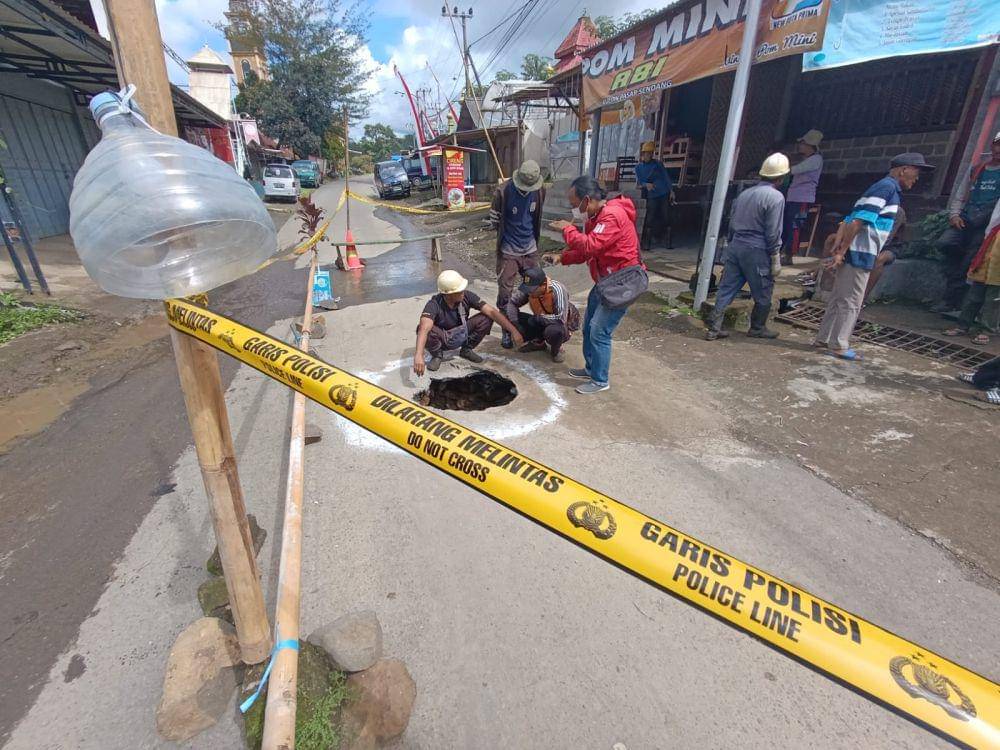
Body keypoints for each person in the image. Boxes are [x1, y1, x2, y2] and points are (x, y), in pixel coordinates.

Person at [814, 153, 935, 360]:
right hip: (861, 252)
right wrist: (842, 251)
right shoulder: (887, 188)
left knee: (839, 298)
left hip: (856, 251)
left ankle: (824, 339)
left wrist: (840, 245)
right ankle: (839, 344)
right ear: (903, 169)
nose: (916, 178)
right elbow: (857, 221)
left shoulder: (883, 188)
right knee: (852, 300)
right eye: (915, 172)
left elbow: (849, 219)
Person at [544, 175, 644, 395]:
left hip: (622, 283)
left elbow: (590, 246)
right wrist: (563, 258)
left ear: (586, 200)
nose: (573, 210)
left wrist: (566, 230)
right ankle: (591, 368)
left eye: (574, 205)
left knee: (599, 330)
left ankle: (600, 380)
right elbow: (587, 252)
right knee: (589, 325)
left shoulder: (612, 216)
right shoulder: (595, 218)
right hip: (605, 281)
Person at [705, 153, 789, 341]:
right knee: (763, 290)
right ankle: (757, 327)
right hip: (757, 249)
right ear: (781, 177)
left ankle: (714, 327)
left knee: (726, 288)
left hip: (736, 246)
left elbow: (732, 222)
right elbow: (773, 231)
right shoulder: (775, 197)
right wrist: (775, 255)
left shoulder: (745, 194)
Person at [932, 131, 1000, 314]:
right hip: (965, 219)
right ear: (992, 145)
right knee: (945, 244)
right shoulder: (977, 169)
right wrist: (954, 215)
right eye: (997, 144)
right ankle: (954, 287)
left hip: (986, 227)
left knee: (969, 262)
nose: (999, 150)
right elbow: (960, 195)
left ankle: (952, 302)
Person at [413, 270, 524, 376]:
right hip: (443, 338)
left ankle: (466, 349)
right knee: (424, 329)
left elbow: (492, 312)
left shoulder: (467, 296)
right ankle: (437, 355)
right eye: (459, 291)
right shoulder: (434, 304)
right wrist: (419, 355)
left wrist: (513, 331)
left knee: (487, 317)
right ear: (448, 294)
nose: (463, 292)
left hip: (463, 333)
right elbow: (424, 328)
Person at [487, 159, 546, 349]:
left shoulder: (539, 191)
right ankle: (507, 330)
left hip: (530, 248)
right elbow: (494, 220)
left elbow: (536, 217)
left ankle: (540, 329)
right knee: (505, 293)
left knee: (539, 288)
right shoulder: (503, 192)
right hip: (509, 250)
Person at [943, 198, 1000, 346]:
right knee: (975, 291)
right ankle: (963, 324)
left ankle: (987, 329)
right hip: (993, 241)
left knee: (995, 297)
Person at [504, 266, 580, 363]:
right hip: (539, 320)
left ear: (543, 285)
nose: (529, 292)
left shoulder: (558, 289)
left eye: (532, 289)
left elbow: (560, 318)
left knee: (555, 331)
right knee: (506, 315)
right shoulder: (530, 289)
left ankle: (556, 350)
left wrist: (538, 318)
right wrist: (515, 326)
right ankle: (539, 343)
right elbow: (512, 303)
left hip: (559, 325)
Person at [780, 129, 824, 265]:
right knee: (786, 225)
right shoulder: (807, 159)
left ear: (810, 145)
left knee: (795, 226)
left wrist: (780, 169)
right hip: (793, 197)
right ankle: (782, 252)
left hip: (802, 198)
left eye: (803, 143)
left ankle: (789, 254)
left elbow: (795, 170)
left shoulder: (816, 159)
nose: (800, 146)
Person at [635, 141, 673, 250]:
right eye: (646, 153)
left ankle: (668, 241)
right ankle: (647, 243)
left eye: (650, 153)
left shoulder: (658, 164)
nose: (648, 155)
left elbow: (666, 177)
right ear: (642, 154)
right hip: (652, 195)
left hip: (664, 192)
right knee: (650, 217)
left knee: (666, 216)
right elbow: (638, 183)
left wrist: (671, 191)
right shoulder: (638, 168)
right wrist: (646, 184)